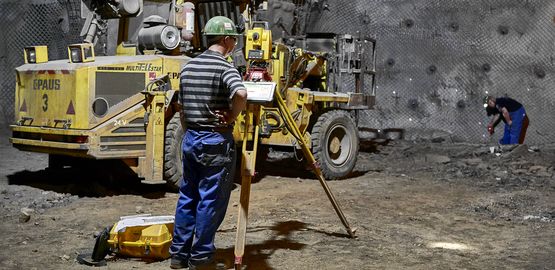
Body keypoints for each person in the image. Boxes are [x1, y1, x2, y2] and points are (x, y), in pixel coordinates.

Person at [170, 16, 247, 270]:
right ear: (226, 40)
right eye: (233, 39)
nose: (235, 43)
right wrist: (233, 115)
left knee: (187, 196)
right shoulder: (225, 67)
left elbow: (180, 108)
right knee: (210, 200)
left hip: (190, 138)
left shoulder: (188, 67)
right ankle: (201, 257)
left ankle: (178, 255)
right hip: (215, 139)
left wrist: (190, 129)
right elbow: (241, 93)